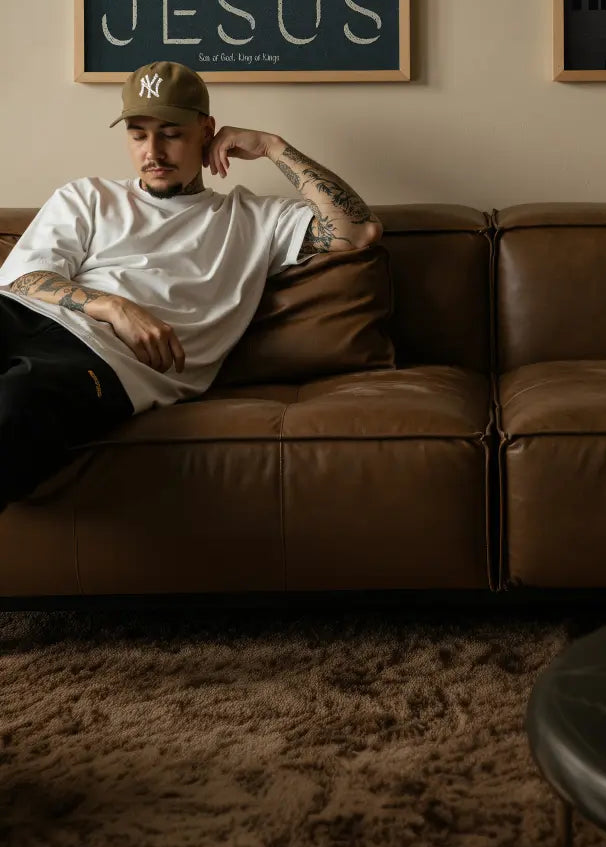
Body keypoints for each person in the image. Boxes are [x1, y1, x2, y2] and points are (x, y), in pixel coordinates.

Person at [0, 59, 381, 510]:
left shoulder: (255, 219)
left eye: (171, 133)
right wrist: (114, 306)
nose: (152, 152)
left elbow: (357, 230)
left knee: (13, 406)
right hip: (25, 316)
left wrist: (273, 146)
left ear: (207, 131)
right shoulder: (88, 196)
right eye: (138, 134)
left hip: (102, 363)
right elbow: (23, 278)